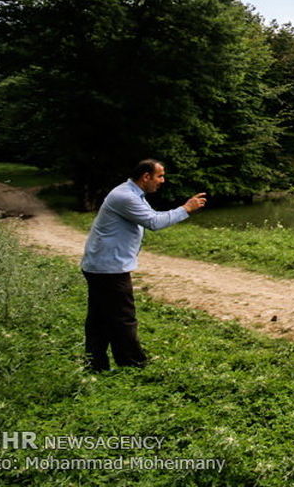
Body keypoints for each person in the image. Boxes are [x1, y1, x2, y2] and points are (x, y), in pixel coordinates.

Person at [79, 159, 206, 371]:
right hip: (109, 268)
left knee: (100, 318)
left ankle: (95, 365)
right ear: (146, 176)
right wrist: (186, 209)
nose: (162, 181)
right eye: (160, 176)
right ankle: (133, 366)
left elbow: (151, 217)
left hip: (102, 265)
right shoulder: (125, 196)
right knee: (123, 317)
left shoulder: (132, 193)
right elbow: (154, 222)